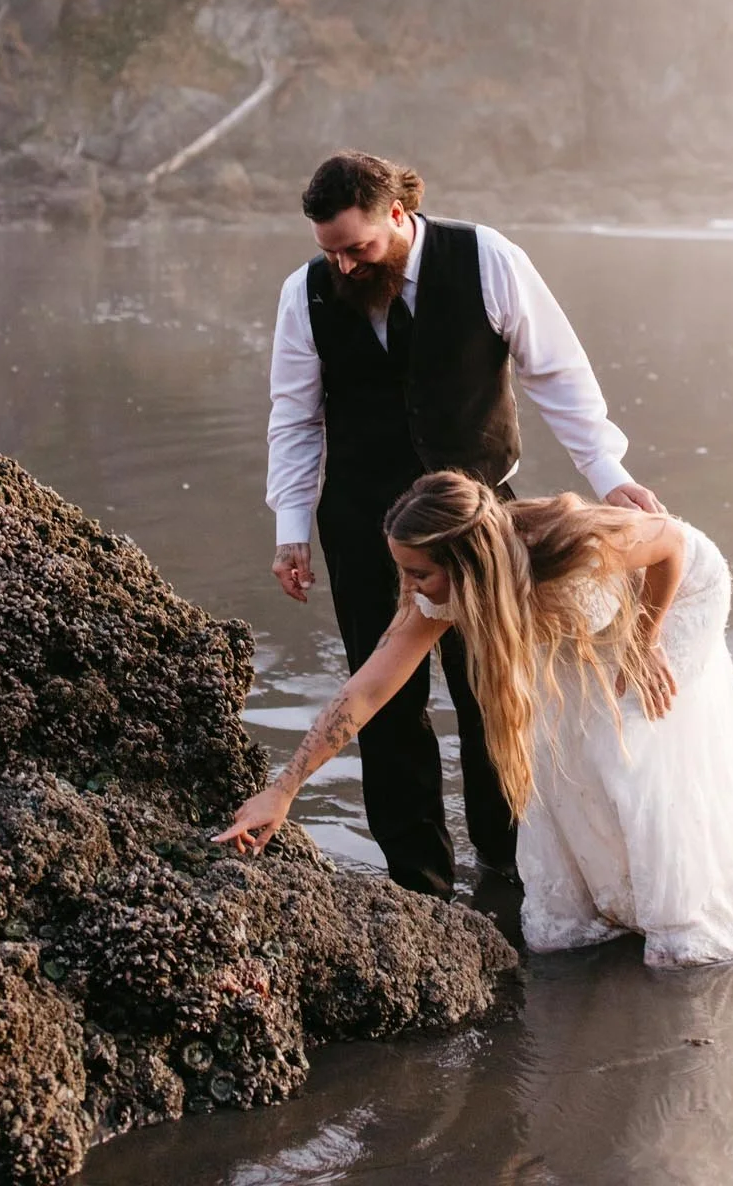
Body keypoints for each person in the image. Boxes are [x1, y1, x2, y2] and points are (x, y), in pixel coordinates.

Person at [266, 149, 660, 899]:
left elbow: (559, 374)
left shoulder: (488, 259)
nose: (344, 267)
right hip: (361, 525)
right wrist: (291, 528)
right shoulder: (306, 292)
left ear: (397, 215)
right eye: (329, 251)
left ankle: (508, 870)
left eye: (358, 248)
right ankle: (419, 887)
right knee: (384, 705)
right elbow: (294, 416)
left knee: (493, 695)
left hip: (482, 523)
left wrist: (610, 475)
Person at [220, 473, 733, 968]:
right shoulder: (442, 596)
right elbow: (368, 690)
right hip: (587, 618)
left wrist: (644, 634)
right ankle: (612, 896)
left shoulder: (570, 544)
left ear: (469, 565)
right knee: (566, 746)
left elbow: (671, 548)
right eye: (401, 570)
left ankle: (679, 910)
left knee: (624, 746)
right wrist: (283, 789)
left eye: (418, 573)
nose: (406, 587)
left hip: (675, 599)